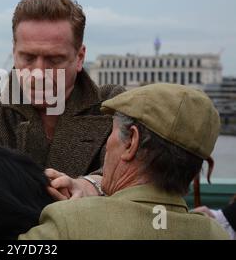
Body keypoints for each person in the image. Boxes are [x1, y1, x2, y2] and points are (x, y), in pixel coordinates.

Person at [19, 83, 230, 240]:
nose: (108, 144)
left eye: (112, 132)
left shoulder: (67, 224)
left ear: (132, 142)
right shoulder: (216, 234)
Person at [0, 0, 124, 186]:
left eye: (54, 60)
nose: (38, 74)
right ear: (14, 53)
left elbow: (138, 174)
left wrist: (91, 185)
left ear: (80, 57)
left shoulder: (115, 106)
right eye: (28, 58)